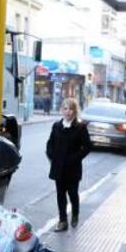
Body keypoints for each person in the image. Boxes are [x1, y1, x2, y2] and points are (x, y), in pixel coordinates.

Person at [46, 97, 90, 232]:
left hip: (73, 168)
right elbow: (50, 144)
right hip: (58, 167)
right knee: (60, 195)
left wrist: (74, 159)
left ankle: (75, 214)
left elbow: (87, 147)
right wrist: (52, 156)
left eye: (71, 109)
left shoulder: (80, 127)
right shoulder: (57, 126)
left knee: (72, 194)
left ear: (75, 111)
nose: (68, 112)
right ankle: (62, 221)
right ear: (61, 110)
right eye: (65, 109)